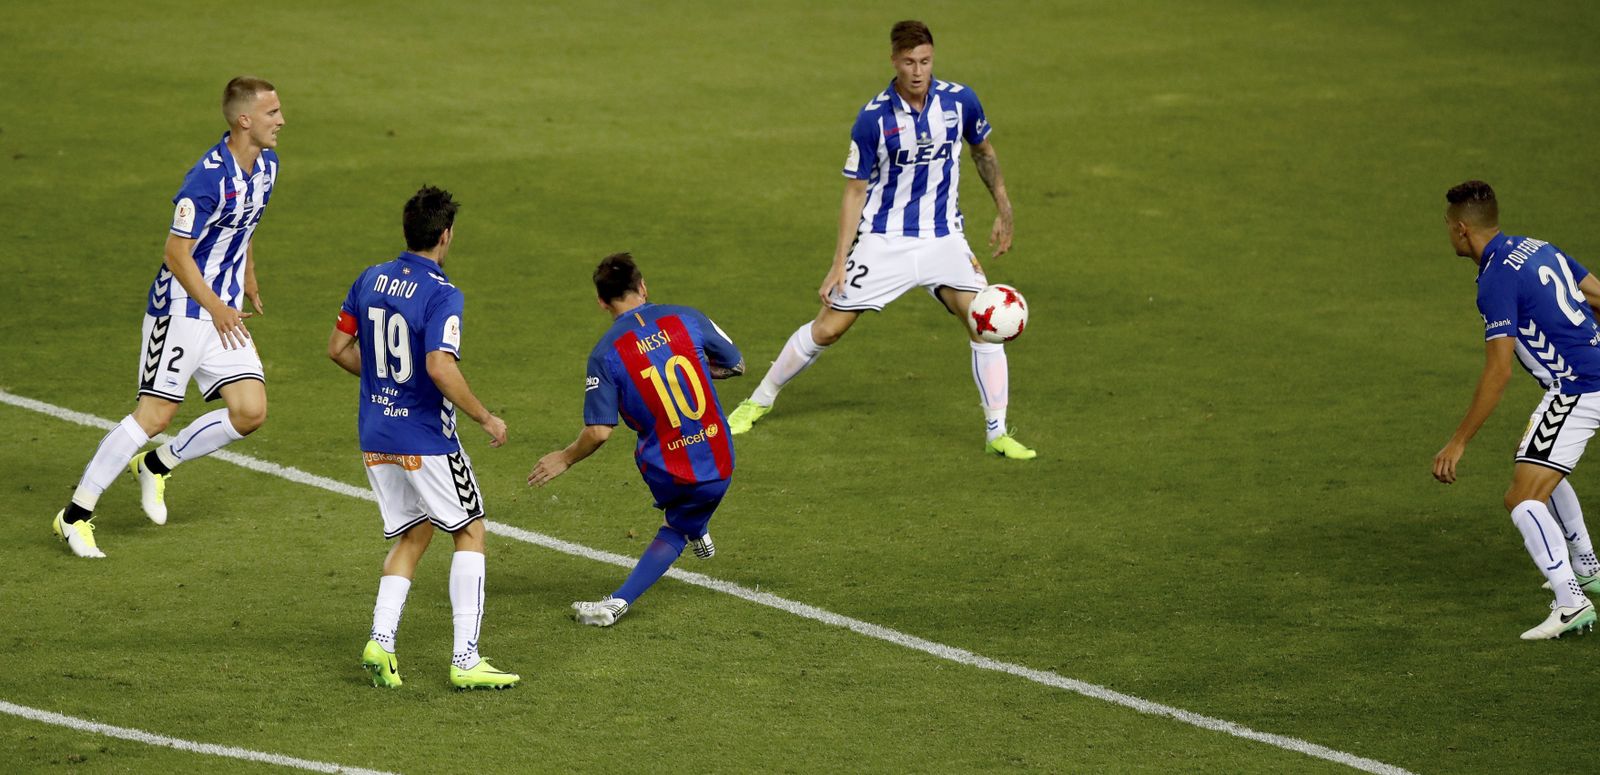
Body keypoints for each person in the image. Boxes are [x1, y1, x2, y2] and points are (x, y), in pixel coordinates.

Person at [726, 20, 1033, 460]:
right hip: (883, 240)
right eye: (909, 62)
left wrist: (1004, 208)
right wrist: (838, 263)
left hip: (943, 238)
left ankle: (996, 433)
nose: (917, 71)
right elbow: (854, 193)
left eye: (925, 61)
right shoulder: (874, 119)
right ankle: (758, 400)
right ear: (893, 61)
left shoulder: (960, 101)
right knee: (828, 328)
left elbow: (983, 151)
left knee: (984, 322)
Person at [52, 77, 284, 558]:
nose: (281, 120)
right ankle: (74, 516)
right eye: (271, 113)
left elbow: (246, 224)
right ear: (244, 120)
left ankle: (158, 465)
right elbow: (177, 254)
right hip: (181, 309)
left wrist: (248, 276)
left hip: (223, 312)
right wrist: (217, 305)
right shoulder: (205, 180)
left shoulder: (267, 167)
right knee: (154, 415)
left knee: (250, 411)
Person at [328, 186, 518, 689]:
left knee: (415, 532)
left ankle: (381, 642)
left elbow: (338, 348)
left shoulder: (369, 278)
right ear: (446, 235)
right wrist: (484, 417)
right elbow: (439, 365)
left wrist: (383, 383)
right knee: (470, 530)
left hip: (376, 432)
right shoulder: (441, 292)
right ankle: (466, 658)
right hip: (426, 439)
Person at [529, 253, 744, 626]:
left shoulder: (604, 354)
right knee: (695, 504)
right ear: (642, 286)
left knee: (677, 524)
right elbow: (736, 364)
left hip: (668, 470)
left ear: (601, 301)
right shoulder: (686, 317)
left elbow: (599, 431)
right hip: (720, 456)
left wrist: (563, 457)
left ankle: (618, 602)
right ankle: (697, 525)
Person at [1433, 179, 1600, 640]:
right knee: (1532, 458)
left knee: (1522, 498)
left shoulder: (1496, 281)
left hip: (1578, 388)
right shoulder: (1536, 246)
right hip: (1589, 378)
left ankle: (1571, 603)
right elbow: (1599, 297)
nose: (1448, 234)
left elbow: (1498, 372)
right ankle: (1586, 567)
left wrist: (1458, 440)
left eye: (1448, 227)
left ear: (1463, 229)